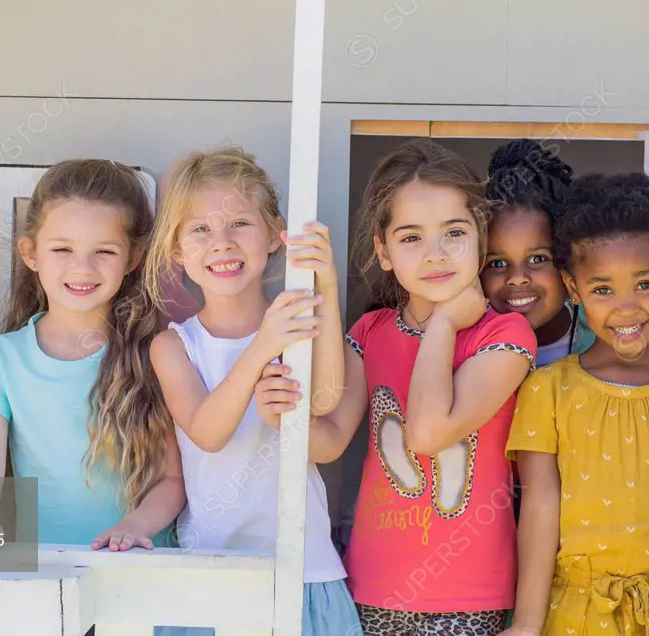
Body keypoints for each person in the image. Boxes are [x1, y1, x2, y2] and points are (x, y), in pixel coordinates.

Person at [257, 139, 536, 635]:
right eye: (410, 238)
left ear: (480, 238)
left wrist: (447, 322)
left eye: (453, 232)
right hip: (372, 588)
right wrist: (283, 410)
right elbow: (326, 439)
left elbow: (428, 432)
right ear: (383, 253)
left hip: (469, 597)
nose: (435, 254)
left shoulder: (505, 335)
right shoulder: (370, 333)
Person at [145, 145, 360, 636]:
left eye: (239, 223)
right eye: (200, 229)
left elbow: (326, 399)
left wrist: (323, 282)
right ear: (178, 251)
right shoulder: (173, 345)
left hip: (302, 569)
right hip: (213, 571)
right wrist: (263, 346)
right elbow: (207, 431)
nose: (220, 243)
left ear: (273, 236)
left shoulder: (296, 319)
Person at [502, 172, 649, 636]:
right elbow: (540, 508)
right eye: (602, 289)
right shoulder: (547, 389)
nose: (625, 308)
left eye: (644, 284)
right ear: (573, 287)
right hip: (571, 616)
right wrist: (525, 624)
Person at [0, 159, 184, 552]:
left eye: (104, 251)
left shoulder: (155, 352)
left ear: (132, 258)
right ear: (30, 253)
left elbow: (171, 479)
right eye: (62, 248)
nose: (82, 268)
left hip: (139, 571)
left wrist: (135, 524)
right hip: (46, 574)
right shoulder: (1, 357)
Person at [482, 139, 594, 366]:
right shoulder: (464, 345)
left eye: (537, 259)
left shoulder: (602, 337)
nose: (517, 278)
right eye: (497, 263)